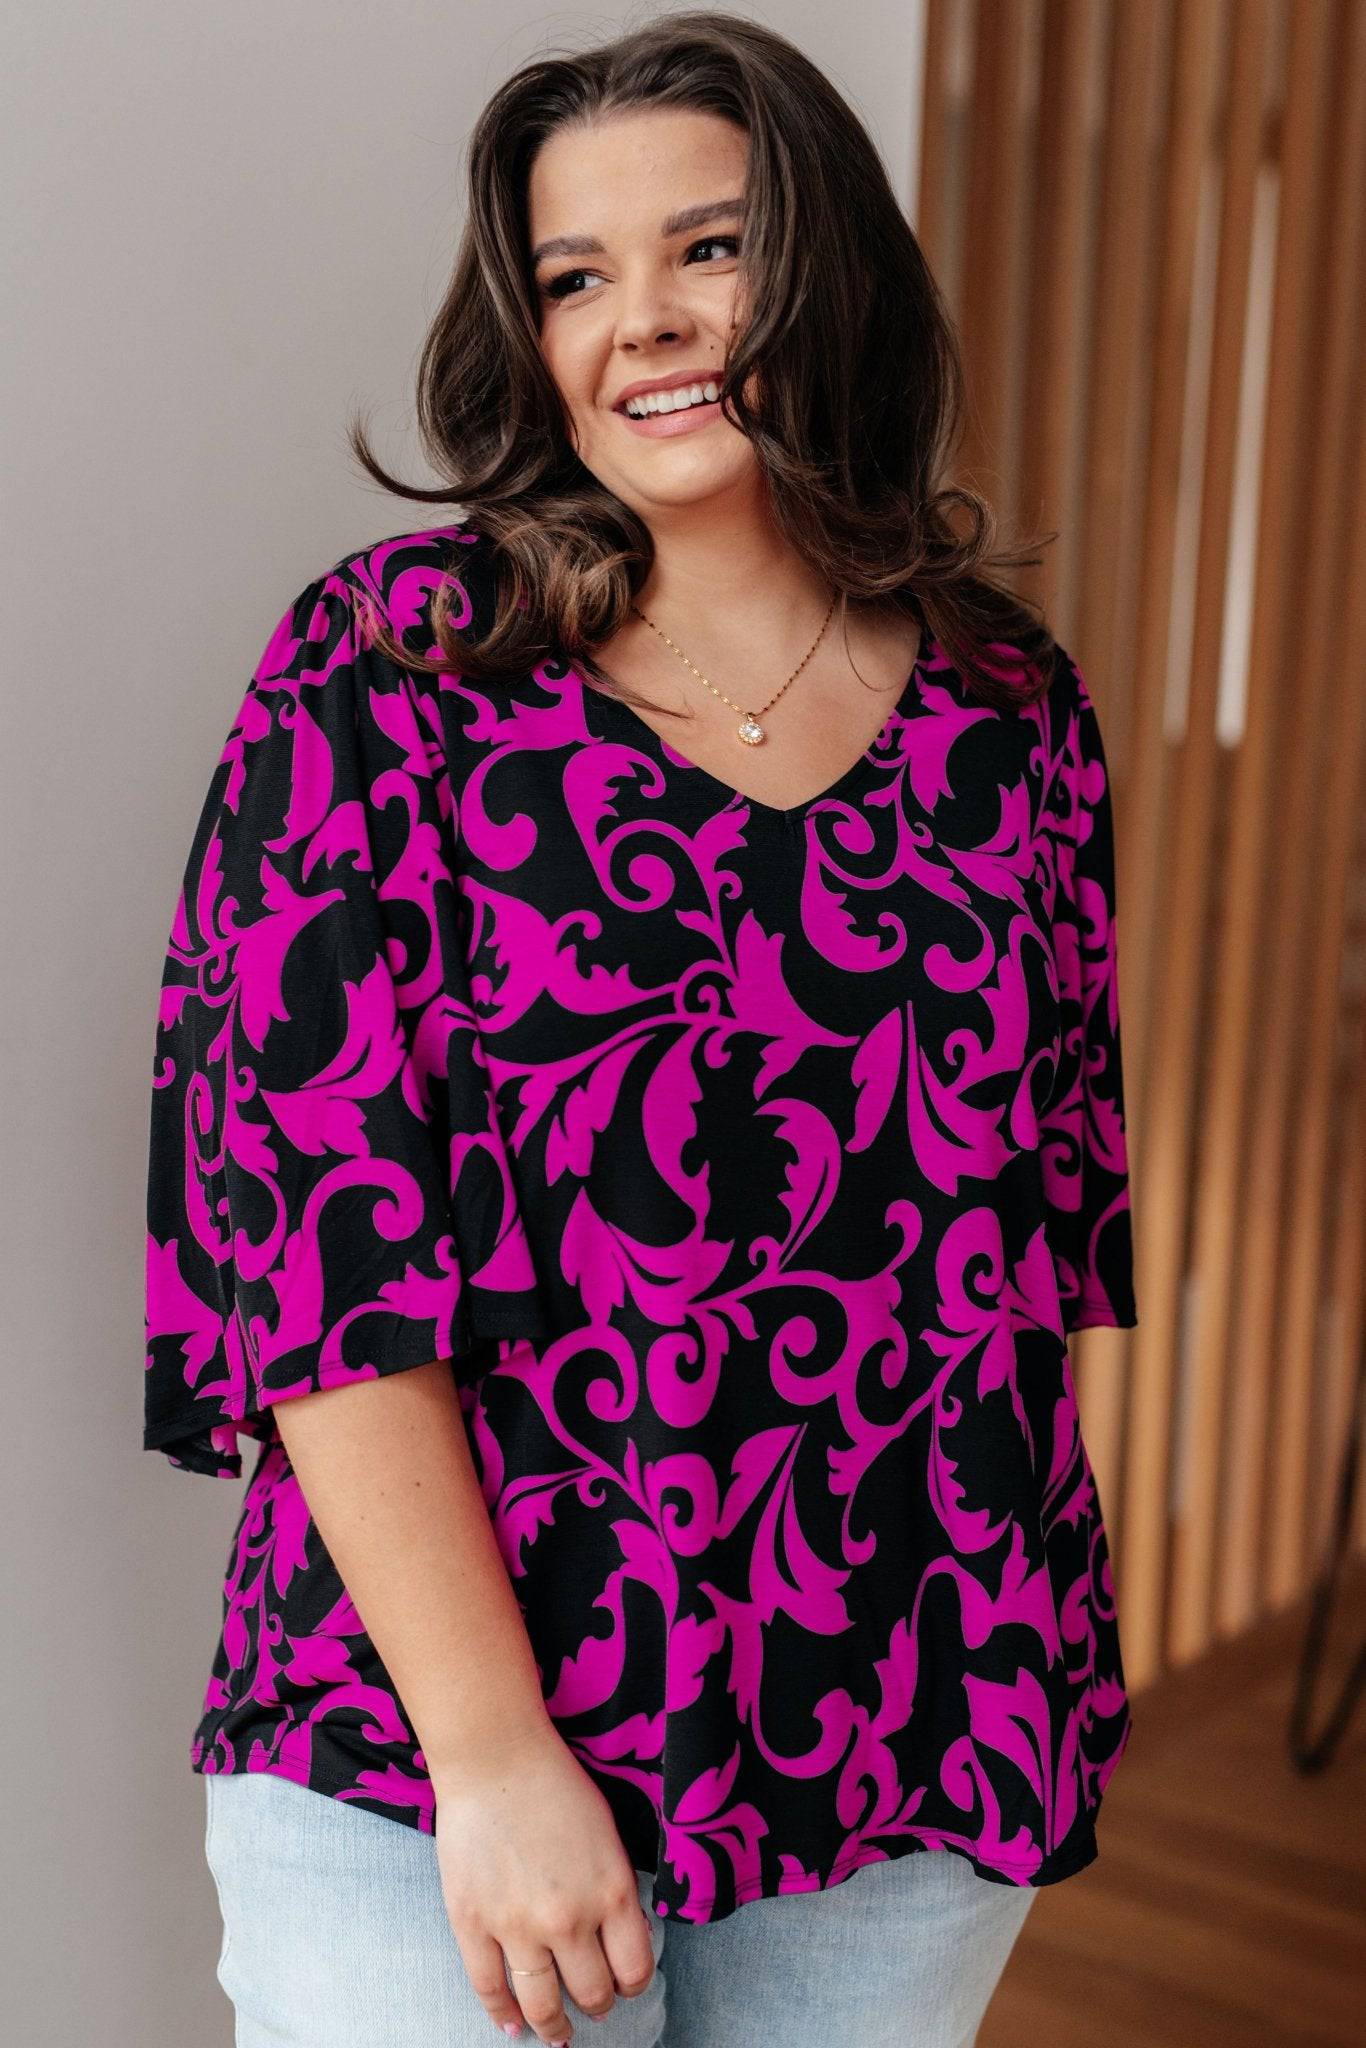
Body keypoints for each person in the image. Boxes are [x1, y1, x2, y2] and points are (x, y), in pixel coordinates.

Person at [143, 12, 1139, 2046]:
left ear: (830, 270)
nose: (645, 323)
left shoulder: (1007, 715)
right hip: (432, 1761)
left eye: (711, 247)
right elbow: (313, 1253)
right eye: (574, 276)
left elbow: (1012, 1250)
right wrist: (494, 1758)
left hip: (905, 1738)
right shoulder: (386, 675)